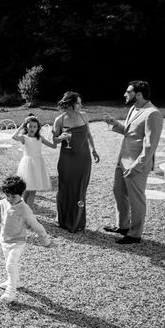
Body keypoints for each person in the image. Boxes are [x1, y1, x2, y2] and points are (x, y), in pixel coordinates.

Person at [0, 176, 53, 303]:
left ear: (21, 194)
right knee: (9, 264)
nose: (9, 199)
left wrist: (46, 241)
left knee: (10, 264)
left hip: (18, 242)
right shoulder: (5, 202)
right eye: (7, 196)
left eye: (13, 197)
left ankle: (11, 291)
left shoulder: (25, 209)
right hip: (4, 240)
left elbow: (37, 226)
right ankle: (15, 281)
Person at [103, 80, 163, 244]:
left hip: (137, 164)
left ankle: (135, 234)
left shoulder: (153, 114)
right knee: (118, 191)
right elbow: (130, 133)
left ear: (138, 94)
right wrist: (114, 124)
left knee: (136, 199)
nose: (125, 94)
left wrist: (137, 165)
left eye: (128, 92)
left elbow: (150, 145)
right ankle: (122, 226)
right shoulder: (133, 108)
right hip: (122, 160)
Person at [52, 92, 100, 233]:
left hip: (83, 159)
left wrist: (94, 150)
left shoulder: (83, 115)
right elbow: (54, 140)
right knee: (65, 188)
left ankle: (78, 220)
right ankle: (63, 219)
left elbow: (89, 135)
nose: (80, 105)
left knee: (80, 189)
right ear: (71, 104)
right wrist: (60, 137)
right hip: (67, 160)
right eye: (78, 103)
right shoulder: (59, 120)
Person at [12, 115, 56, 208]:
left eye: (35, 126)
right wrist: (22, 125)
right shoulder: (24, 138)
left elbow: (53, 146)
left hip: (38, 164)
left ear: (38, 128)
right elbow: (14, 136)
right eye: (30, 126)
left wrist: (57, 137)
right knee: (27, 190)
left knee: (33, 190)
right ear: (26, 127)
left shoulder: (40, 138)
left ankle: (26, 211)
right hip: (27, 165)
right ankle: (25, 210)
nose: (32, 128)